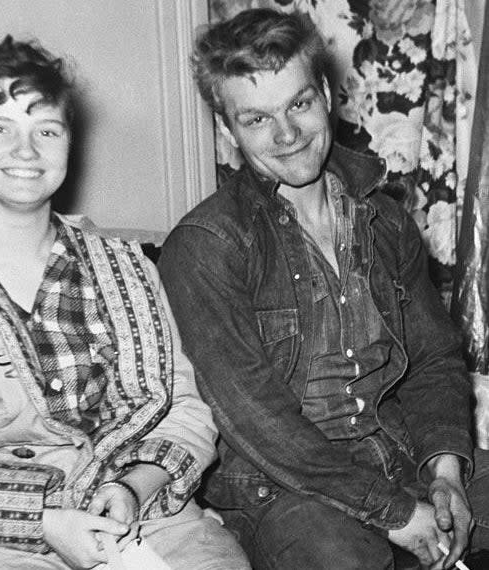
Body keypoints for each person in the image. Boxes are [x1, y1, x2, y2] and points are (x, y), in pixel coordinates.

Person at [0, 35, 250, 570]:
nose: (25, 151)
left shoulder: (127, 267)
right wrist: (46, 521)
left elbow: (184, 409)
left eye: (46, 130)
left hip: (143, 514)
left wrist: (131, 487)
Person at [157, 8, 489, 570]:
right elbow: (258, 421)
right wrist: (396, 514)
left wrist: (447, 471)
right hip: (283, 493)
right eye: (256, 119)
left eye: (299, 104)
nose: (286, 135)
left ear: (328, 96)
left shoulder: (386, 220)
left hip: (400, 459)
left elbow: (433, 359)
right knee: (337, 555)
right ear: (226, 129)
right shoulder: (205, 245)